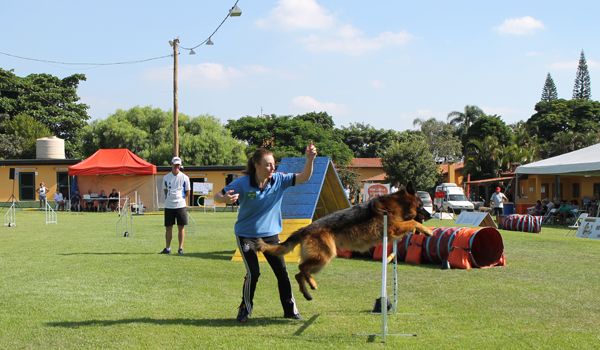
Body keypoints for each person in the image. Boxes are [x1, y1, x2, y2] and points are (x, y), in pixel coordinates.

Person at [215, 143, 317, 323]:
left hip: (270, 236)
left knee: (282, 273)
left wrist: (310, 159)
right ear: (256, 165)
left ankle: (290, 310)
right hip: (246, 234)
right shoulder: (242, 183)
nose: (272, 168)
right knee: (253, 273)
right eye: (268, 164)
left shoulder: (280, 179)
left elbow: (304, 177)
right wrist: (225, 199)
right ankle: (245, 309)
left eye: (273, 164)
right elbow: (217, 196)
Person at [160, 156, 190, 256]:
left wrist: (181, 199)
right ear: (171, 165)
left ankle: (180, 248)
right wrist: (169, 198)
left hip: (181, 206)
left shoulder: (185, 178)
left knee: (181, 227)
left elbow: (187, 192)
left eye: (178, 165)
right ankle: (167, 248)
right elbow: (165, 190)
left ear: (180, 165)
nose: (176, 167)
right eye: (175, 165)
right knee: (168, 228)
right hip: (169, 206)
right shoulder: (166, 177)